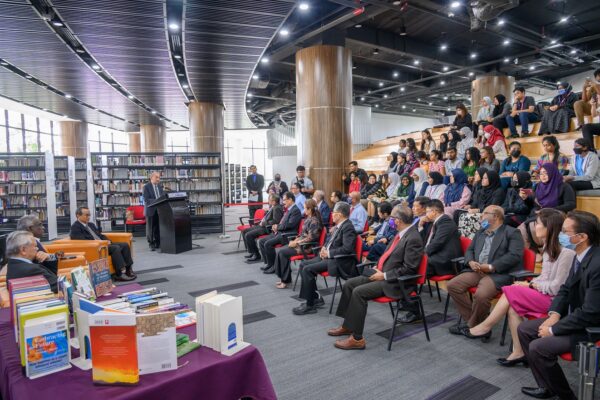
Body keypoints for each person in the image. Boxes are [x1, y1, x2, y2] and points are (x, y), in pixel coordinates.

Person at [467, 209, 574, 368]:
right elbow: (545, 278)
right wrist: (530, 284)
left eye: (537, 223)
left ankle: (486, 326)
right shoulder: (547, 247)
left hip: (555, 302)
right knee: (512, 308)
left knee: (511, 289)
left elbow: (557, 288)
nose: (533, 226)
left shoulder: (566, 253)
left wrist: (530, 284)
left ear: (548, 227)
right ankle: (519, 352)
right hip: (544, 294)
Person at [518, 211, 600, 400]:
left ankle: (565, 395)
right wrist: (554, 314)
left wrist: (553, 329)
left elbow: (591, 312)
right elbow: (565, 289)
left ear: (581, 237)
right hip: (572, 316)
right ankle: (546, 386)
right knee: (524, 329)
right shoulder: (581, 256)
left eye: (565, 231)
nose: (560, 234)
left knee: (539, 347)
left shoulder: (596, 263)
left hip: (589, 326)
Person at [327, 205, 424, 349]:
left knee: (358, 292)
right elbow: (388, 255)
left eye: (391, 218)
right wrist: (378, 267)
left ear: (397, 220)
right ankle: (348, 325)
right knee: (350, 284)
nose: (389, 221)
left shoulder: (413, 238)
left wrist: (384, 275)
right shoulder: (401, 233)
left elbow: (409, 269)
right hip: (383, 273)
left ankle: (357, 339)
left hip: (396, 282)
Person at [447, 205, 524, 334]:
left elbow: (514, 256)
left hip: (498, 273)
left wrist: (491, 267)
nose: (481, 216)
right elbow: (470, 250)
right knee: (453, 285)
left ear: (496, 216)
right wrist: (471, 261)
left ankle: (472, 326)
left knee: (481, 294)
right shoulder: (481, 231)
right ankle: (477, 323)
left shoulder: (512, 232)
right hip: (478, 270)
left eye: (484, 213)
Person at [293, 202, 357, 315]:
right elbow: (330, 242)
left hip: (338, 260)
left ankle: (310, 305)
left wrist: (329, 253)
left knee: (308, 269)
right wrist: (323, 249)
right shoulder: (339, 226)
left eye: (334, 213)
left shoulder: (348, 227)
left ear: (340, 214)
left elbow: (348, 249)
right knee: (303, 265)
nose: (332, 215)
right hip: (328, 257)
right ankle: (314, 298)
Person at [70, 207, 135, 281]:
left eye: (89, 215)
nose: (88, 217)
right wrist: (100, 243)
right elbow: (82, 242)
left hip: (103, 244)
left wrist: (107, 241)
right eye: (86, 215)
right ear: (78, 215)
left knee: (124, 245)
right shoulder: (75, 227)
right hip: (95, 247)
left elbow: (100, 235)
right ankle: (119, 274)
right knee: (115, 248)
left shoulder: (91, 224)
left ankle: (128, 269)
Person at [273, 199, 323, 289]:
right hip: (301, 243)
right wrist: (295, 240)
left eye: (305, 208)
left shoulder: (315, 221)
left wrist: (296, 242)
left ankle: (285, 280)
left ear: (310, 209)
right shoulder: (309, 218)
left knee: (283, 253)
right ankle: (283, 278)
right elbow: (302, 234)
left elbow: (310, 238)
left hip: (308, 247)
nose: (303, 210)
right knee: (281, 251)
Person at [257, 192, 302, 272]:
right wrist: (276, 227)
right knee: (261, 241)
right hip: (281, 232)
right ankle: (269, 264)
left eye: (284, 200)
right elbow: (283, 223)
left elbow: (290, 225)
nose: (283, 202)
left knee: (267, 244)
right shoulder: (289, 209)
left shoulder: (295, 210)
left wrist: (278, 227)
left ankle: (274, 266)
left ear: (290, 200)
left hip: (287, 235)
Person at [458, 170, 506, 239]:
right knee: (462, 215)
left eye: (485, 178)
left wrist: (477, 210)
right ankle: (465, 240)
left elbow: (493, 208)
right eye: (482, 178)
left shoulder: (499, 191)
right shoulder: (481, 190)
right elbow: (475, 204)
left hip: (491, 215)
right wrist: (470, 207)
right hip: (480, 213)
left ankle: (476, 240)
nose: (482, 180)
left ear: (492, 179)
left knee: (470, 218)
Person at [424, 199, 462, 276]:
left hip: (445, 260)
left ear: (434, 212)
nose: (426, 214)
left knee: (416, 263)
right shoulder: (438, 222)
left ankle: (407, 286)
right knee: (411, 262)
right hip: (437, 255)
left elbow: (437, 243)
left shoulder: (445, 222)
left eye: (427, 212)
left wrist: (422, 253)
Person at [243, 194, 284, 262]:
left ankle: (256, 255)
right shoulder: (273, 207)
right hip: (262, 225)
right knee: (245, 231)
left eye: (269, 200)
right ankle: (253, 252)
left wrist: (264, 223)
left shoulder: (277, 208)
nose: (268, 201)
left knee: (248, 235)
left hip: (266, 228)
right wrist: (266, 212)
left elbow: (276, 221)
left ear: (274, 201)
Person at [142, 171, 163, 251]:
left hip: (159, 210)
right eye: (156, 177)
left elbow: (162, 197)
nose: (158, 179)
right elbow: (147, 200)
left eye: (159, 177)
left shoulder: (160, 187)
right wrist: (157, 201)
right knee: (150, 228)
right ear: (151, 177)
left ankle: (158, 242)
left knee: (158, 227)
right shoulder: (146, 187)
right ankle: (151, 243)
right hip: (150, 210)